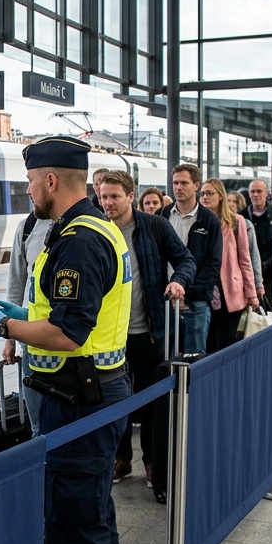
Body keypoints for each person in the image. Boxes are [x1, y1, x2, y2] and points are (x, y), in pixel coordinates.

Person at [0, 136, 132, 544]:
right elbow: (64, 314)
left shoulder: (79, 240)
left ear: (49, 181)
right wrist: (25, 315)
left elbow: (70, 333)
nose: (26, 191)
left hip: (81, 399)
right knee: (89, 515)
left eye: (28, 181)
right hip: (88, 392)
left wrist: (6, 329)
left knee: (73, 523)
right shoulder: (84, 229)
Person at [99, 170, 196, 501]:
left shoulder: (153, 226)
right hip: (110, 336)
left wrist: (179, 280)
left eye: (114, 196)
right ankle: (121, 459)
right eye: (103, 196)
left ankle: (154, 463)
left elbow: (185, 259)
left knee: (155, 402)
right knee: (116, 399)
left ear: (130, 196)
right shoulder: (97, 230)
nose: (108, 202)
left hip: (150, 331)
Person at [3, 210, 53, 434]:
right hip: (32, 340)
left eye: (33, 183)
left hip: (70, 342)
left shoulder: (83, 225)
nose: (29, 191)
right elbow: (16, 282)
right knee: (38, 424)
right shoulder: (27, 228)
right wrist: (10, 337)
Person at [165, 163, 222, 356]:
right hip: (164, 300)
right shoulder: (163, 216)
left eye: (184, 183)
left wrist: (186, 291)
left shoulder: (209, 220)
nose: (178, 188)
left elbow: (213, 264)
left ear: (196, 185)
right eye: (175, 183)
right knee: (165, 356)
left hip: (195, 302)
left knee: (194, 359)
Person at [201, 179, 258, 353]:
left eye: (210, 193)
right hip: (206, 291)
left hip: (231, 291)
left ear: (220, 196)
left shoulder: (236, 221)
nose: (205, 197)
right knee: (209, 341)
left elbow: (245, 260)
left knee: (227, 340)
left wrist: (252, 293)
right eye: (202, 193)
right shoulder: (198, 221)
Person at [243, 178, 272, 307]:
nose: (255, 195)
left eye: (259, 191)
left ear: (266, 193)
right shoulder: (242, 216)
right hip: (249, 274)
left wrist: (266, 264)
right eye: (252, 191)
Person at [226, 190, 265, 305]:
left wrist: (258, 284)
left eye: (234, 201)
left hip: (240, 281)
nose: (231, 204)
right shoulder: (214, 223)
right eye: (228, 201)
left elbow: (252, 256)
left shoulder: (245, 225)